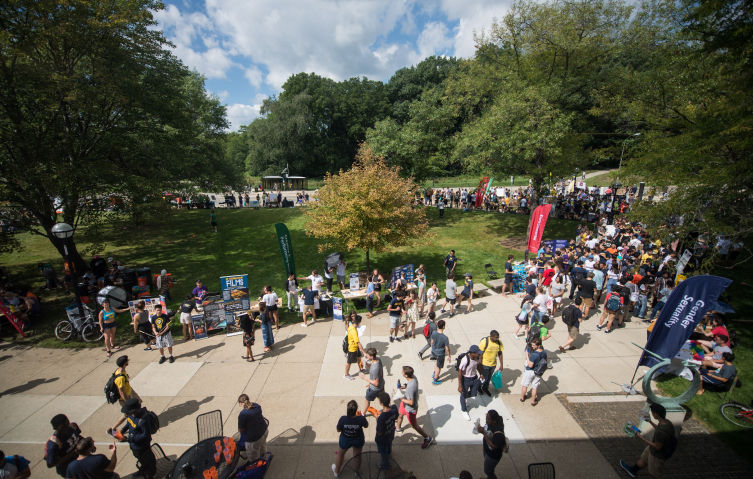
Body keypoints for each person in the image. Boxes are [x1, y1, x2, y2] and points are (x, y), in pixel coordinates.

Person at [619, 403, 677, 479]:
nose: (651, 414)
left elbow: (657, 447)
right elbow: (658, 428)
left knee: (655, 473)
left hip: (657, 456)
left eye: (652, 412)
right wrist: (650, 421)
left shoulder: (661, 432)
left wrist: (640, 437)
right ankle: (633, 470)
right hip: (652, 450)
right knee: (643, 459)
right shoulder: (666, 422)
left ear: (656, 414)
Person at [396, 366, 433, 449]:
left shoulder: (410, 388)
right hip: (405, 403)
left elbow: (411, 402)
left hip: (410, 409)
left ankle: (427, 438)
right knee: (400, 414)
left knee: (414, 425)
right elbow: (409, 385)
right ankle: (398, 428)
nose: (401, 372)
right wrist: (404, 386)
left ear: (406, 375)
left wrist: (401, 398)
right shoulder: (413, 377)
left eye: (402, 371)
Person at [119, 398, 155, 479]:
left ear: (135, 410)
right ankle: (142, 470)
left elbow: (146, 435)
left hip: (142, 447)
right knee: (141, 460)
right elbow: (129, 423)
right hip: (134, 447)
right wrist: (122, 430)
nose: (127, 413)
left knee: (147, 462)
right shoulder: (131, 416)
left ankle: (149, 474)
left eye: (128, 411)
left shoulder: (143, 420)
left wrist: (130, 439)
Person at [332, 400, 368, 477]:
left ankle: (336, 471)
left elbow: (338, 430)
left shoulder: (343, 419)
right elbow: (366, 425)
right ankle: (356, 472)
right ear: (356, 410)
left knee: (340, 454)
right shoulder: (361, 419)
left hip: (345, 439)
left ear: (347, 410)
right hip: (358, 439)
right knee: (357, 456)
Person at [475, 410, 508, 479]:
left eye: (488, 419)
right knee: (488, 468)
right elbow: (487, 430)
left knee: (488, 471)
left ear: (494, 421)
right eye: (486, 417)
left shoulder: (499, 434)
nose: (486, 420)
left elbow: (493, 446)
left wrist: (483, 433)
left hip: (493, 456)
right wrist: (481, 428)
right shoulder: (491, 423)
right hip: (487, 450)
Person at [237, 394, 269, 460]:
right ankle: (264, 460)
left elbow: (241, 429)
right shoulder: (257, 406)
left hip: (254, 439)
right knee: (263, 448)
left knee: (254, 458)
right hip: (264, 431)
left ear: (241, 404)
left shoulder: (243, 414)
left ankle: (258, 467)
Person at [458, 345, 483, 421]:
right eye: (477, 353)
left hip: (474, 377)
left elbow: (478, 366)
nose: (479, 354)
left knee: (474, 393)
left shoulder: (477, 358)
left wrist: (481, 374)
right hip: (466, 379)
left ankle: (464, 397)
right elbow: (460, 372)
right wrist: (460, 385)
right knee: (463, 393)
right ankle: (464, 410)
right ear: (472, 353)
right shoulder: (465, 360)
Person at [374, 392, 398, 470]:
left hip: (382, 439)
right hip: (390, 434)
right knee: (389, 445)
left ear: (381, 403)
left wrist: (377, 418)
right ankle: (389, 452)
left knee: (383, 452)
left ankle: (385, 464)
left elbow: (380, 432)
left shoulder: (381, 418)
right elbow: (396, 416)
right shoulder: (394, 409)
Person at [520, 337, 546, 406]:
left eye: (534, 345)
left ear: (538, 345)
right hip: (538, 372)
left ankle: (522, 398)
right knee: (535, 387)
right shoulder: (544, 352)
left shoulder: (534, 355)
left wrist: (527, 356)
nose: (532, 346)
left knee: (525, 385)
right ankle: (533, 401)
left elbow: (530, 365)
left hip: (530, 371)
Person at [359, 348, 384, 416]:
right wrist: (367, 364)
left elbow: (376, 383)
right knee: (382, 401)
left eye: (368, 355)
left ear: (372, 356)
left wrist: (364, 378)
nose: (366, 356)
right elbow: (374, 367)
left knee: (367, 400)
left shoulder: (375, 369)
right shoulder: (378, 359)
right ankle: (387, 410)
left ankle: (363, 414)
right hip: (381, 386)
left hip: (374, 389)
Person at [478, 331, 504, 396]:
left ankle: (485, 388)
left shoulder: (499, 342)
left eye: (498, 337)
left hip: (493, 364)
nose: (497, 339)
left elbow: (500, 353)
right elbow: (480, 354)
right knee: (483, 377)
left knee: (489, 378)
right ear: (491, 336)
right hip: (484, 364)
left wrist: (501, 364)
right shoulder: (484, 342)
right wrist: (480, 365)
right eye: (496, 337)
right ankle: (478, 387)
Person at [344, 314, 366, 379]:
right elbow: (358, 343)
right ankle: (346, 375)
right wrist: (364, 352)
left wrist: (347, 322)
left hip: (355, 347)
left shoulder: (351, 326)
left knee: (359, 358)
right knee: (349, 362)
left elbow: (347, 328)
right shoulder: (354, 331)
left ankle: (361, 369)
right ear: (359, 322)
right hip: (352, 348)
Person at [430, 319, 451, 385]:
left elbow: (432, 342)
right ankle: (435, 379)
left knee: (437, 363)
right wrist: (449, 356)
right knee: (439, 367)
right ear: (443, 327)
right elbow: (447, 348)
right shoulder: (445, 338)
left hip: (434, 351)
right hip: (440, 354)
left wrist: (432, 348)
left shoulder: (434, 332)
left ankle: (434, 373)